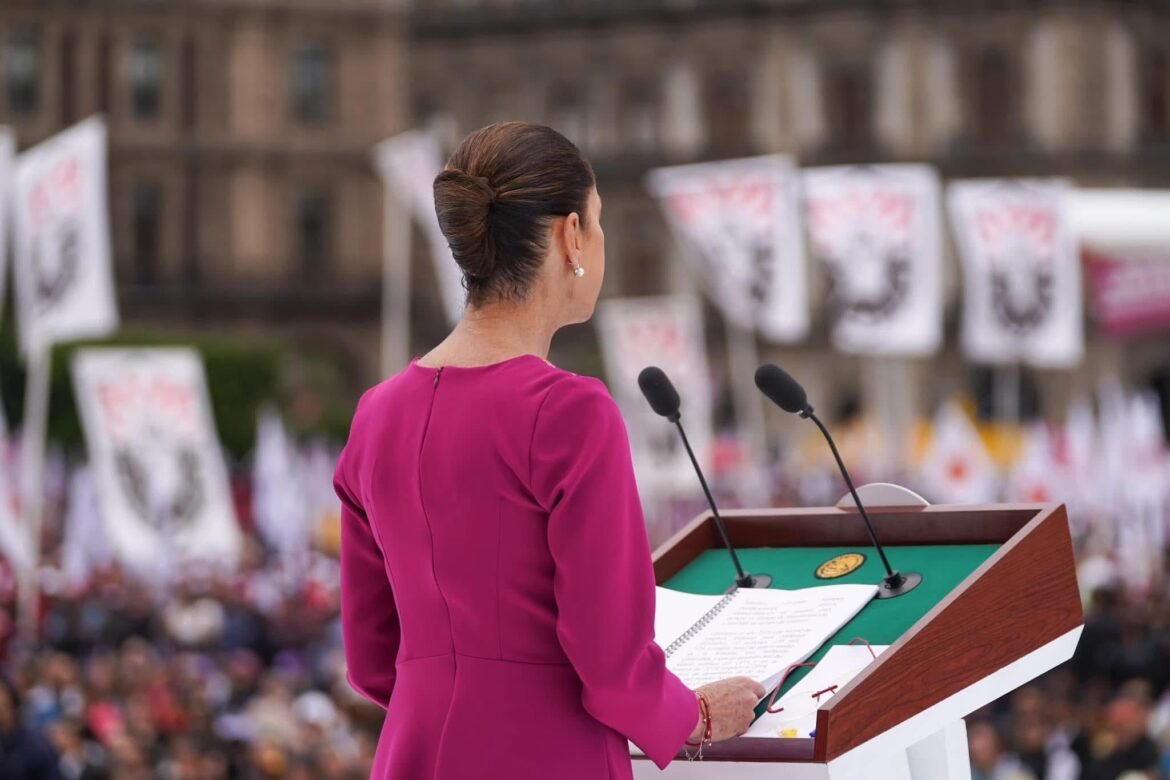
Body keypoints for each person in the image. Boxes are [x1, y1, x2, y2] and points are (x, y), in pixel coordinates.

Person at [334, 122, 762, 779]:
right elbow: (611, 663)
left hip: (413, 752)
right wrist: (698, 716)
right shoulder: (569, 413)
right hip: (545, 751)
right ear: (569, 237)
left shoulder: (376, 413)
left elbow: (371, 658)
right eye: (597, 221)